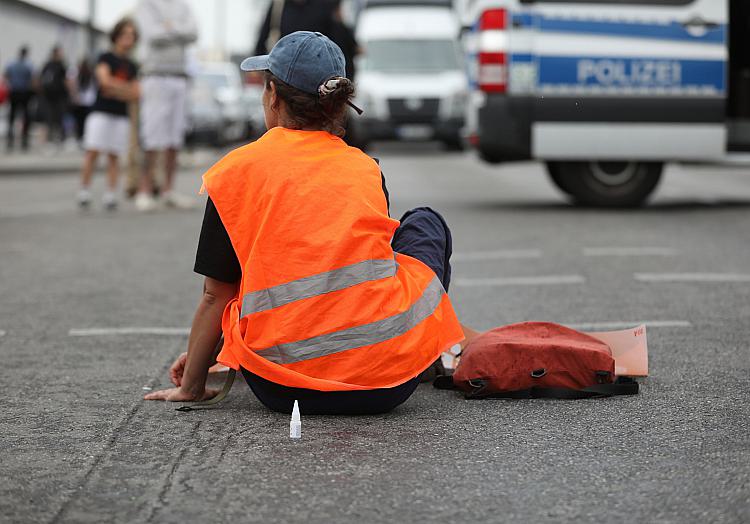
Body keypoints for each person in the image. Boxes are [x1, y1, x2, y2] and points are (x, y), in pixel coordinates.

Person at [145, 32, 480, 414]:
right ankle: (418, 348)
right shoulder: (365, 169)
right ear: (337, 105)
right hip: (384, 386)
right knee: (424, 223)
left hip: (279, 386)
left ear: (273, 96)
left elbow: (216, 295)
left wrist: (193, 384)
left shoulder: (235, 173)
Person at [134, 0, 198, 212]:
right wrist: (178, 30)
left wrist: (170, 27)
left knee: (175, 136)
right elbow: (151, 34)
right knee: (152, 135)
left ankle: (168, 190)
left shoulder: (183, 5)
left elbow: (194, 32)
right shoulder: (146, 4)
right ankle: (144, 189)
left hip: (179, 77)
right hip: (155, 76)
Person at [77, 19, 140, 211]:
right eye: (124, 35)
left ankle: (110, 194)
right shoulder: (105, 57)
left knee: (114, 155)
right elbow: (103, 81)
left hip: (120, 116)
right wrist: (124, 89)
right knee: (93, 151)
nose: (127, 39)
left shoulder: (133, 65)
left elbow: (137, 93)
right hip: (100, 112)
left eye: (131, 36)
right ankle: (84, 191)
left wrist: (115, 89)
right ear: (116, 36)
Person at [253, 0, 337, 55]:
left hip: (316, 68)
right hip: (282, 67)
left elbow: (337, 42)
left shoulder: (325, 5)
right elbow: (263, 37)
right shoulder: (278, 5)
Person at [4, 46, 34, 151]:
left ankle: (10, 140)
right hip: (24, 92)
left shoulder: (11, 63)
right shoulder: (28, 65)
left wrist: (9, 85)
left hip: (14, 92)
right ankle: (24, 141)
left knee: (12, 117)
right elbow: (33, 79)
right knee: (25, 117)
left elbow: (6, 76)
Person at [39, 46, 69, 146]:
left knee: (51, 117)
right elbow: (65, 80)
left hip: (50, 95)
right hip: (56, 95)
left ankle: (51, 138)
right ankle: (55, 138)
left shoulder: (47, 65)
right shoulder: (60, 65)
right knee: (56, 116)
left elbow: (41, 78)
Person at [69, 58, 97, 144]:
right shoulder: (91, 73)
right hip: (88, 100)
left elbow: (72, 84)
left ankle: (81, 136)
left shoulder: (79, 72)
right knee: (85, 120)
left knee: (80, 121)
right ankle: (84, 136)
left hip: (82, 100)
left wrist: (74, 96)